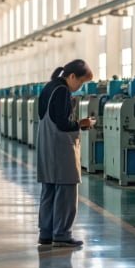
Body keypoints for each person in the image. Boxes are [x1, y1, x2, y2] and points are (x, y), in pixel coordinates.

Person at [37, 59, 95, 247]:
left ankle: (46, 233)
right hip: (60, 147)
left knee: (49, 190)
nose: (80, 87)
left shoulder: (49, 87)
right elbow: (62, 123)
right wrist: (82, 124)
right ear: (72, 76)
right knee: (66, 191)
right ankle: (61, 234)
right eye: (81, 82)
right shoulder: (62, 91)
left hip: (47, 144)